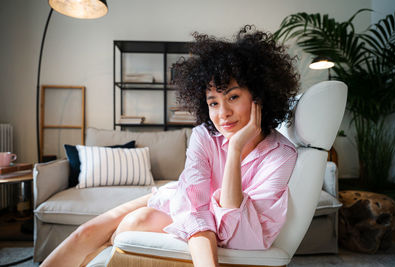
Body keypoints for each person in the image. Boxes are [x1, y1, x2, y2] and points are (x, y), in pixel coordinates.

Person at [41, 25, 299, 267]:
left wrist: (233, 150)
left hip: (196, 214)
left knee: (133, 223)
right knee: (85, 232)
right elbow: (194, 207)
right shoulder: (204, 135)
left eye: (233, 97)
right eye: (213, 103)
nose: (223, 114)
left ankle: (102, 251)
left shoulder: (281, 156)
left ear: (259, 97)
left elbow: (242, 236)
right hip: (177, 198)